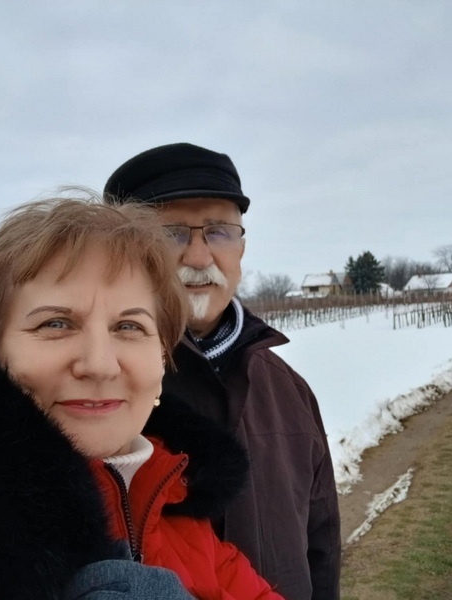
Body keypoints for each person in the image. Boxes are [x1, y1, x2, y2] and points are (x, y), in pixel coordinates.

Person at [0, 194, 284, 600]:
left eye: (129, 327)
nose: (100, 365)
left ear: (162, 359)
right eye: (56, 324)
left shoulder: (177, 508)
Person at [105, 143, 341, 600]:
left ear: (241, 247)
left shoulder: (288, 389)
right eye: (170, 233)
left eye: (218, 232)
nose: (199, 257)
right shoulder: (91, 394)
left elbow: (322, 542)